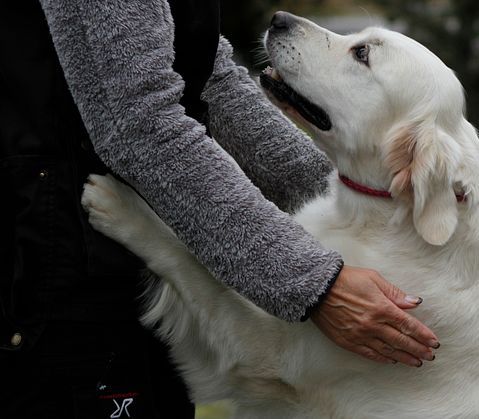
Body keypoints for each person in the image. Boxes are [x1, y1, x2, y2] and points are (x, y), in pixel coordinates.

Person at [0, 1, 439, 418]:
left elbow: (204, 75)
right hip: (51, 275)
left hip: (108, 270)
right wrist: (314, 284)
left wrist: (370, 201)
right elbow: (137, 121)